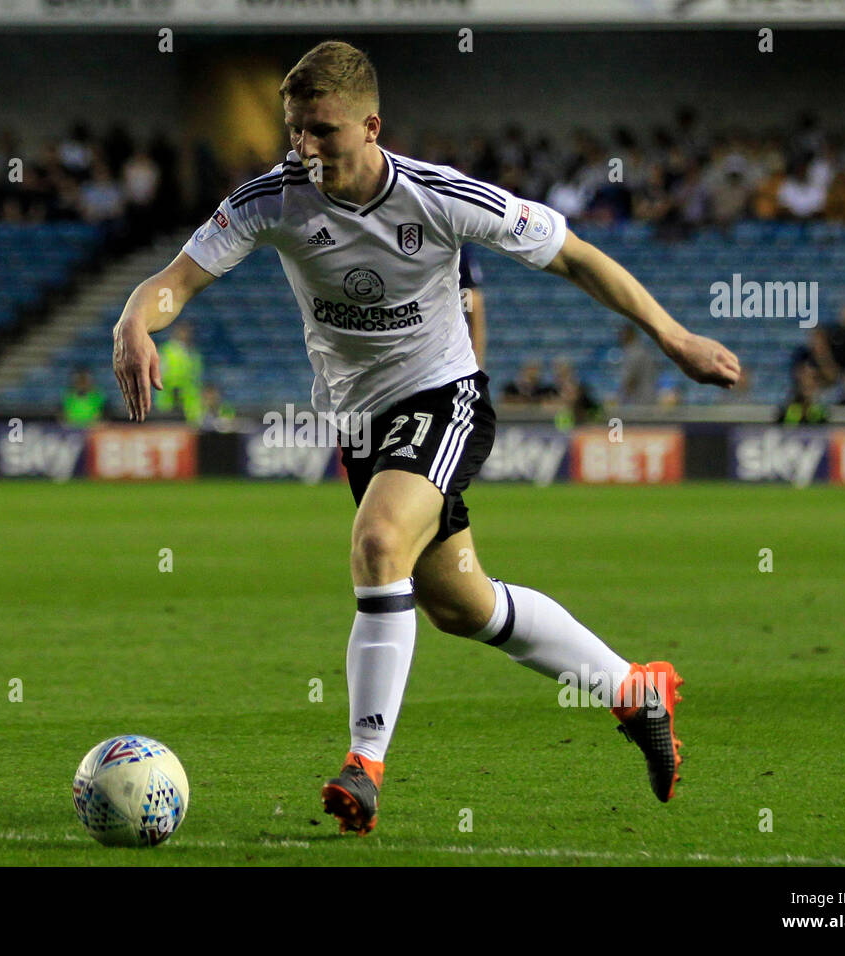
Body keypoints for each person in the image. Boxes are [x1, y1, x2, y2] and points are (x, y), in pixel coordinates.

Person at [112, 41, 740, 835]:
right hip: (363, 423)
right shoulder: (272, 199)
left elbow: (576, 258)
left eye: (325, 132)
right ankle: (633, 691)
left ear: (372, 126)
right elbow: (178, 279)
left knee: (379, 543)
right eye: (296, 132)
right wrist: (137, 316)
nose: (306, 149)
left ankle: (363, 765)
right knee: (459, 604)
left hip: (445, 397)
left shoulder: (440, 197)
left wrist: (673, 337)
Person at [154, 323, 204, 423]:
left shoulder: (193, 353)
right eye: (183, 332)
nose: (186, 335)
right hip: (170, 399)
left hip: (189, 402)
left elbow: (196, 378)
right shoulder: (166, 351)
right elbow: (159, 374)